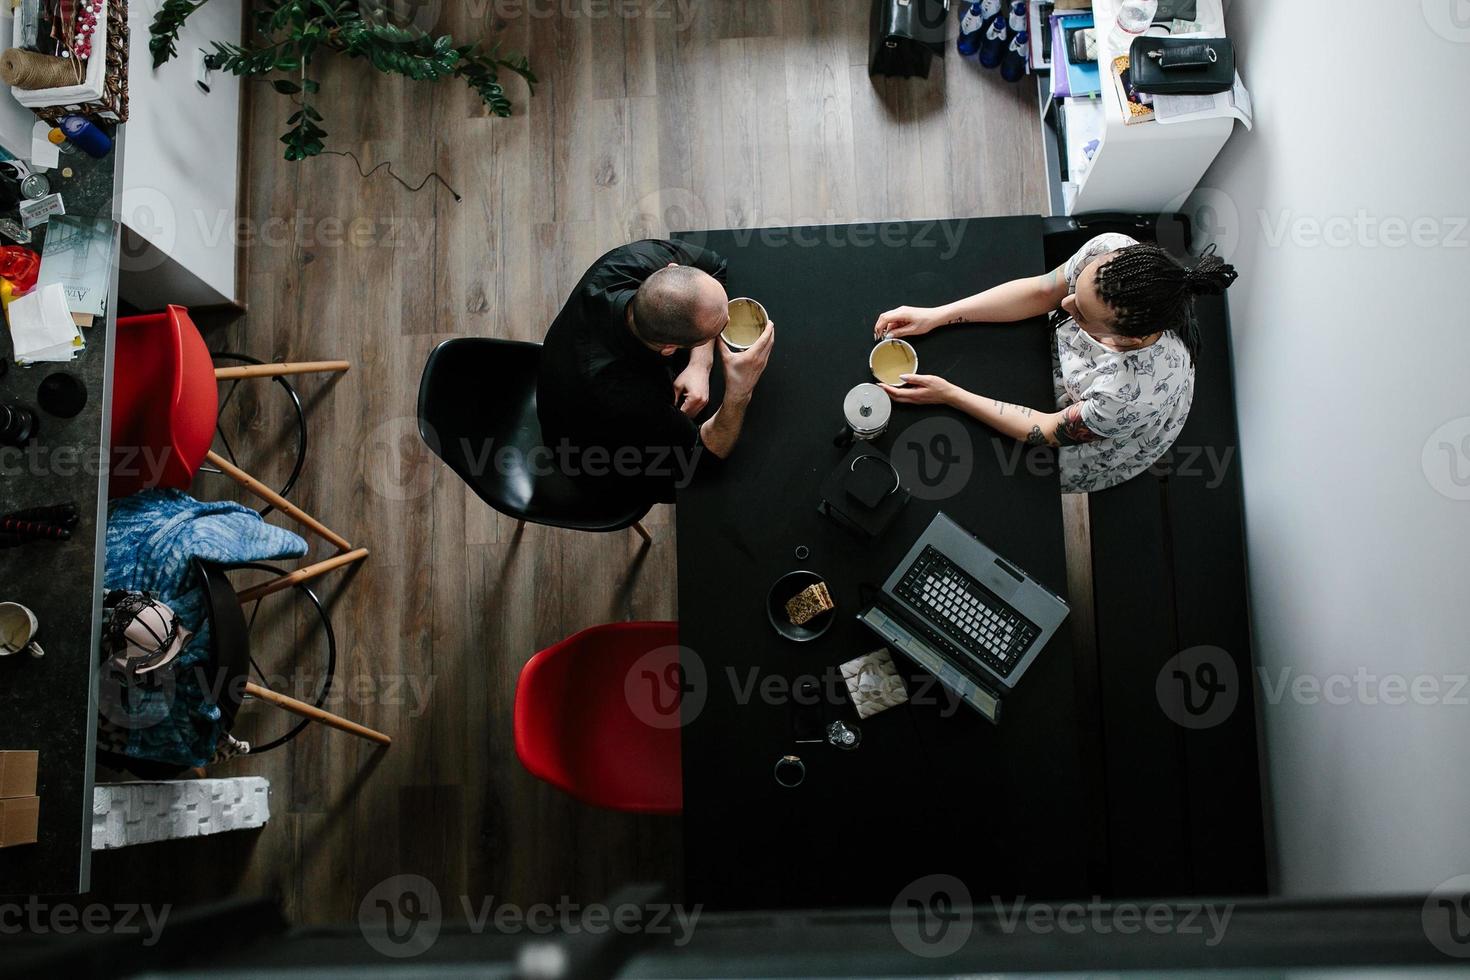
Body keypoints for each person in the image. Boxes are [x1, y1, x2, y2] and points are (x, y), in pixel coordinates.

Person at [871, 234, 1238, 493]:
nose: (1065, 306)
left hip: (1109, 424)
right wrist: (938, 315)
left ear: (1127, 339)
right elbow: (1045, 291)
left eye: (1081, 314)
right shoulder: (1110, 253)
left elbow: (1045, 430)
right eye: (1077, 291)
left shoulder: (1125, 394)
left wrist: (950, 395)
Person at [537, 239, 775, 503]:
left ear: (670, 268)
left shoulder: (631, 261)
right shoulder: (631, 399)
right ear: (669, 348)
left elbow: (716, 266)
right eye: (718, 328)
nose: (728, 318)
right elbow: (701, 460)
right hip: (594, 458)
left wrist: (700, 363)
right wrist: (739, 392)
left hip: (563, 368)